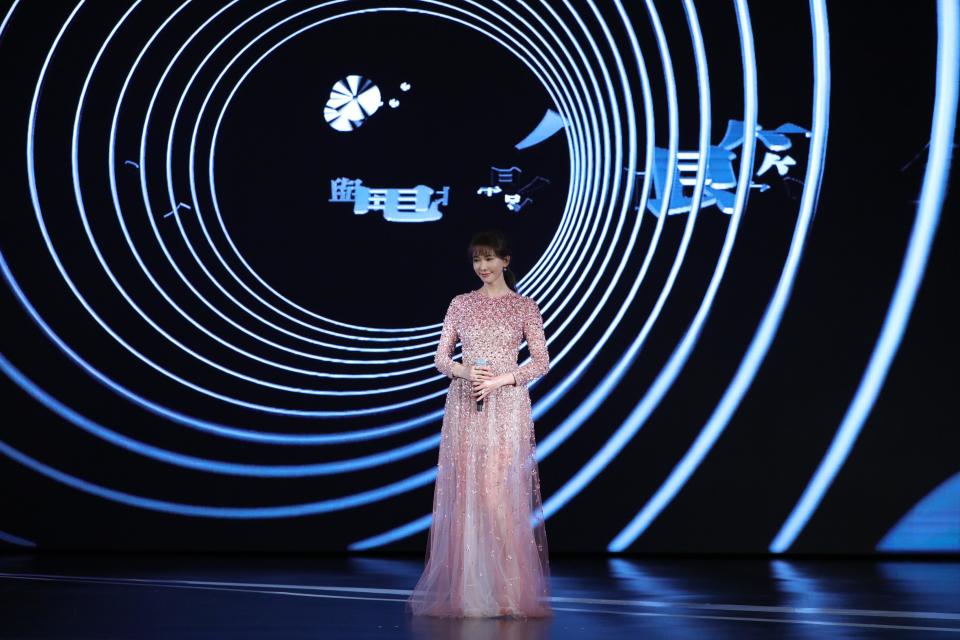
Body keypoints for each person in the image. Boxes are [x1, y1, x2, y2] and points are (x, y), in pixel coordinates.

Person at [406, 230, 553, 619]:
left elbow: (541, 361)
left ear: (506, 261)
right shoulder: (461, 304)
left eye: (489, 259)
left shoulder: (524, 307)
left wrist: (502, 379)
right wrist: (465, 369)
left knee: (498, 493)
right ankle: (471, 590)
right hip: (465, 402)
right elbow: (440, 358)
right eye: (476, 260)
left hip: (506, 405)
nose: (482, 267)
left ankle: (508, 590)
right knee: (469, 490)